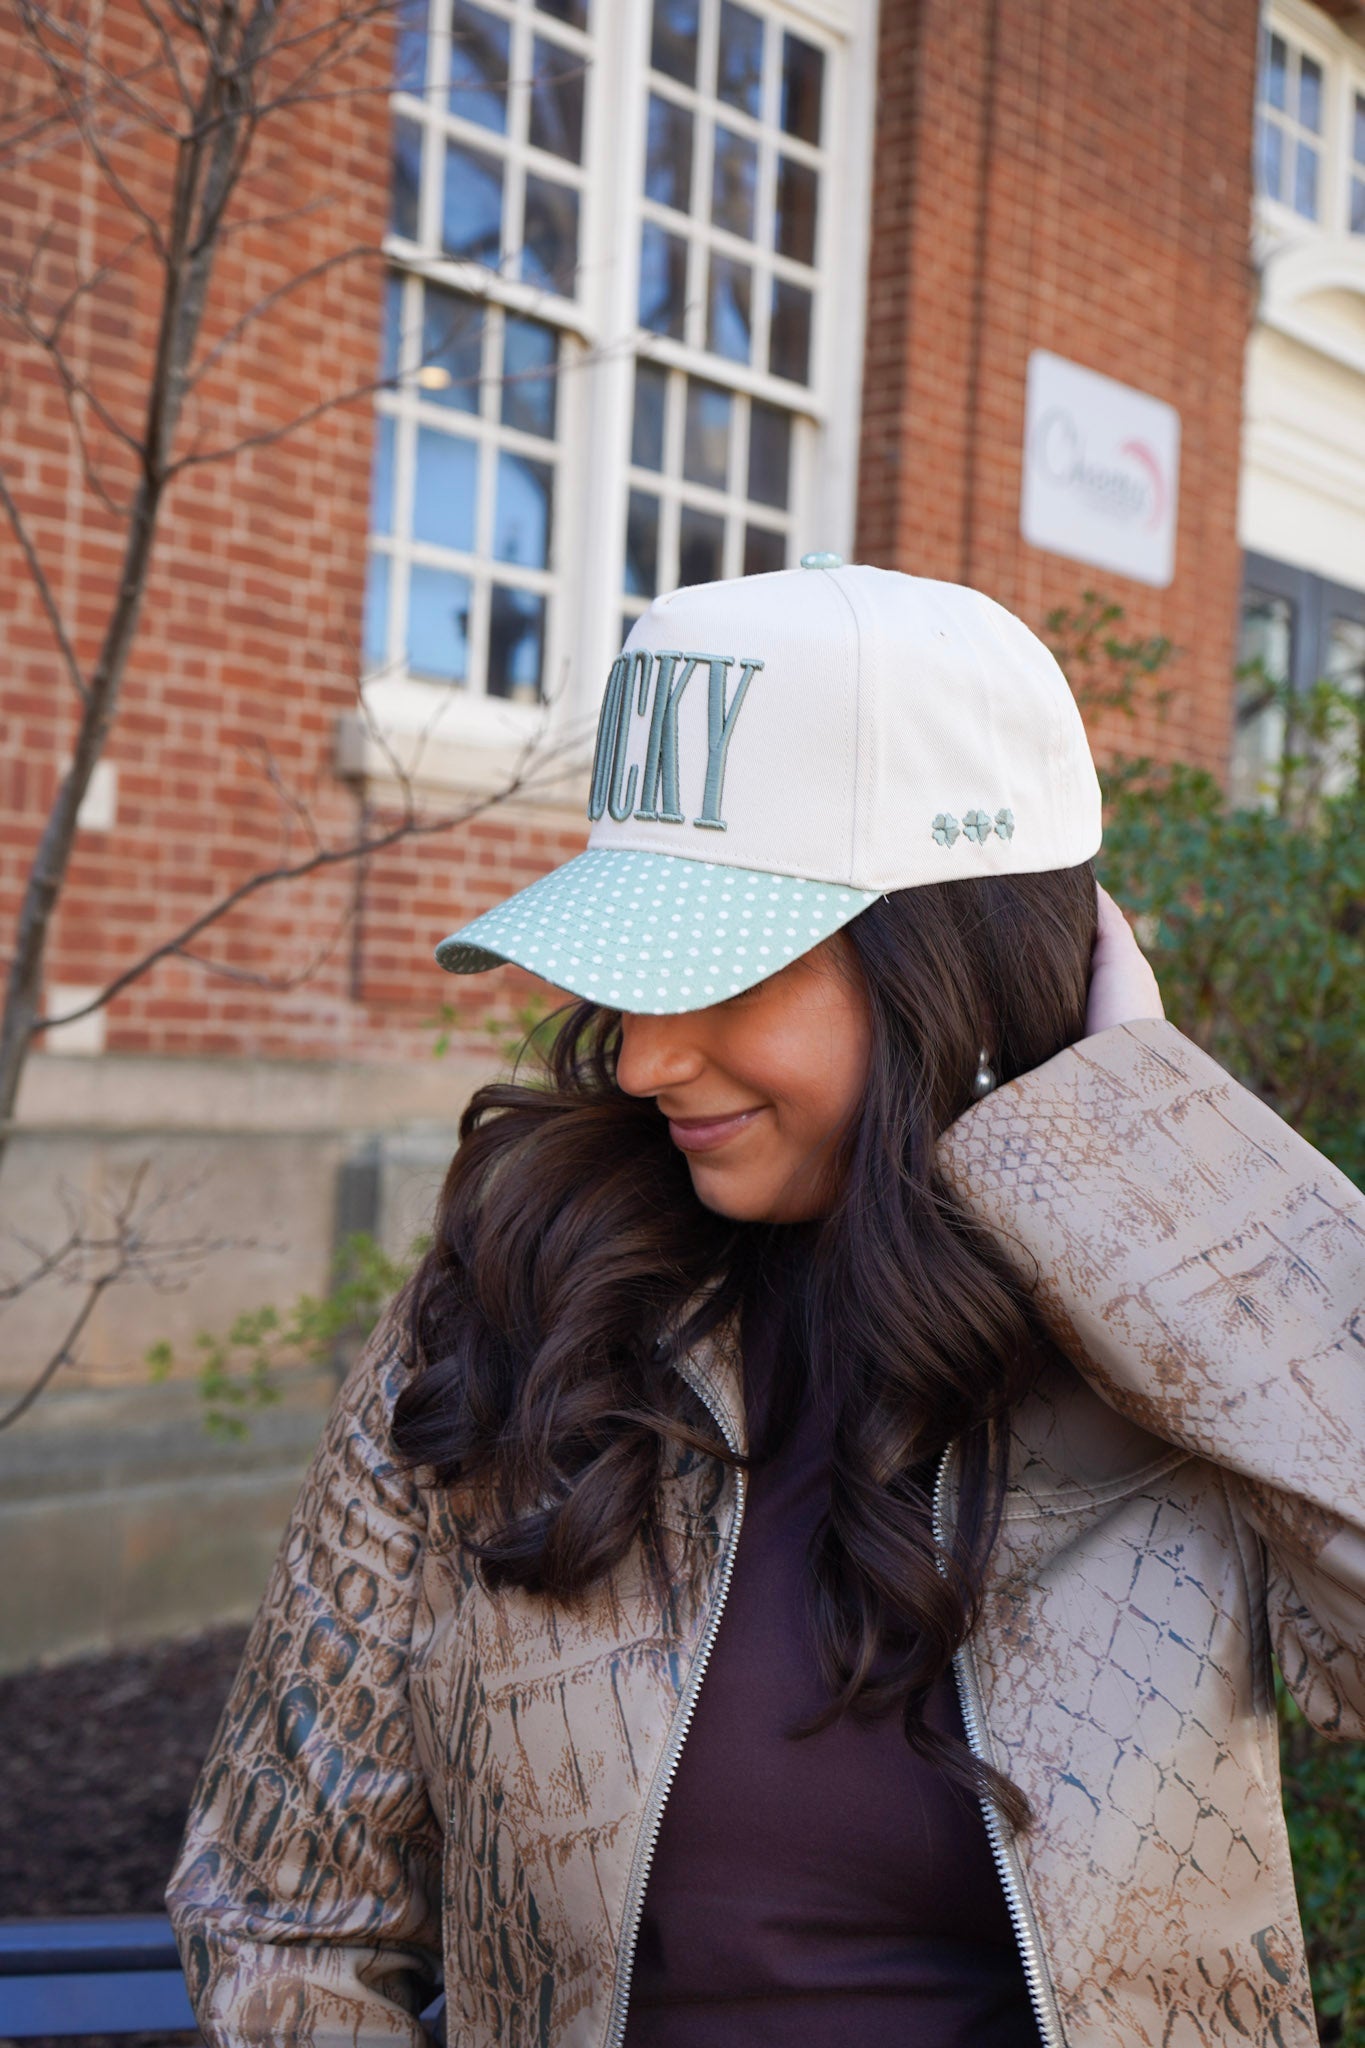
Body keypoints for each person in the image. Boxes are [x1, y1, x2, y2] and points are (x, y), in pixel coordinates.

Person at [167, 563, 1364, 2048]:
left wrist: (1143, 1162)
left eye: (727, 971)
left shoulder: (1169, 1340)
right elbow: (282, 1915)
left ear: (953, 965)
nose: (650, 1056)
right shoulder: (505, 1311)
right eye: (634, 967)